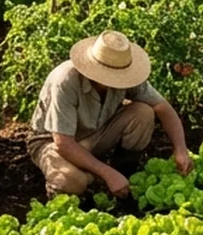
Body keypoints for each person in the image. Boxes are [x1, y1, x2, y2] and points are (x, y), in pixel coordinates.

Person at [28, 29, 193, 199]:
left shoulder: (126, 78)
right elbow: (64, 144)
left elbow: (162, 107)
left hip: (95, 133)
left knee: (143, 112)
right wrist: (106, 173)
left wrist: (180, 149)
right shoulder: (65, 81)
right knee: (72, 181)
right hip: (53, 142)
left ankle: (124, 176)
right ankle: (67, 191)